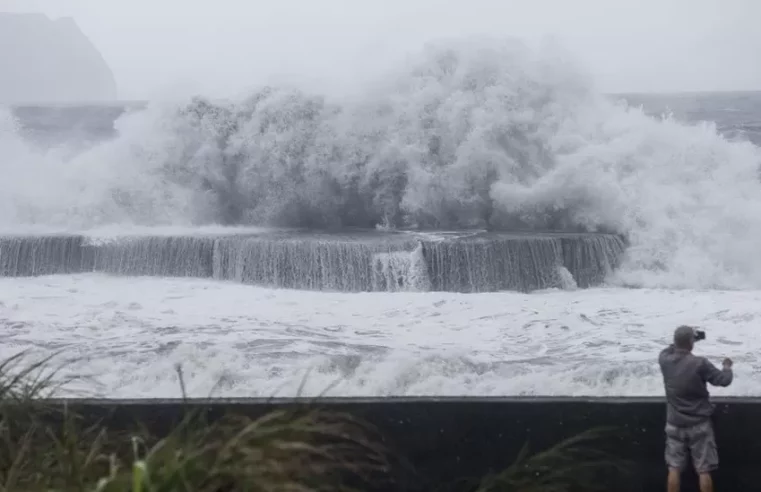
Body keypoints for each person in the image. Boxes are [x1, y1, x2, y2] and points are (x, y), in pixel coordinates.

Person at [659, 325, 733, 492]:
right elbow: (724, 380)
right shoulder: (700, 363)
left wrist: (686, 339)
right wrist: (727, 366)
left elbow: (672, 347)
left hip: (674, 423)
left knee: (674, 468)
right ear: (691, 343)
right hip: (699, 424)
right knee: (704, 470)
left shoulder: (664, 359)